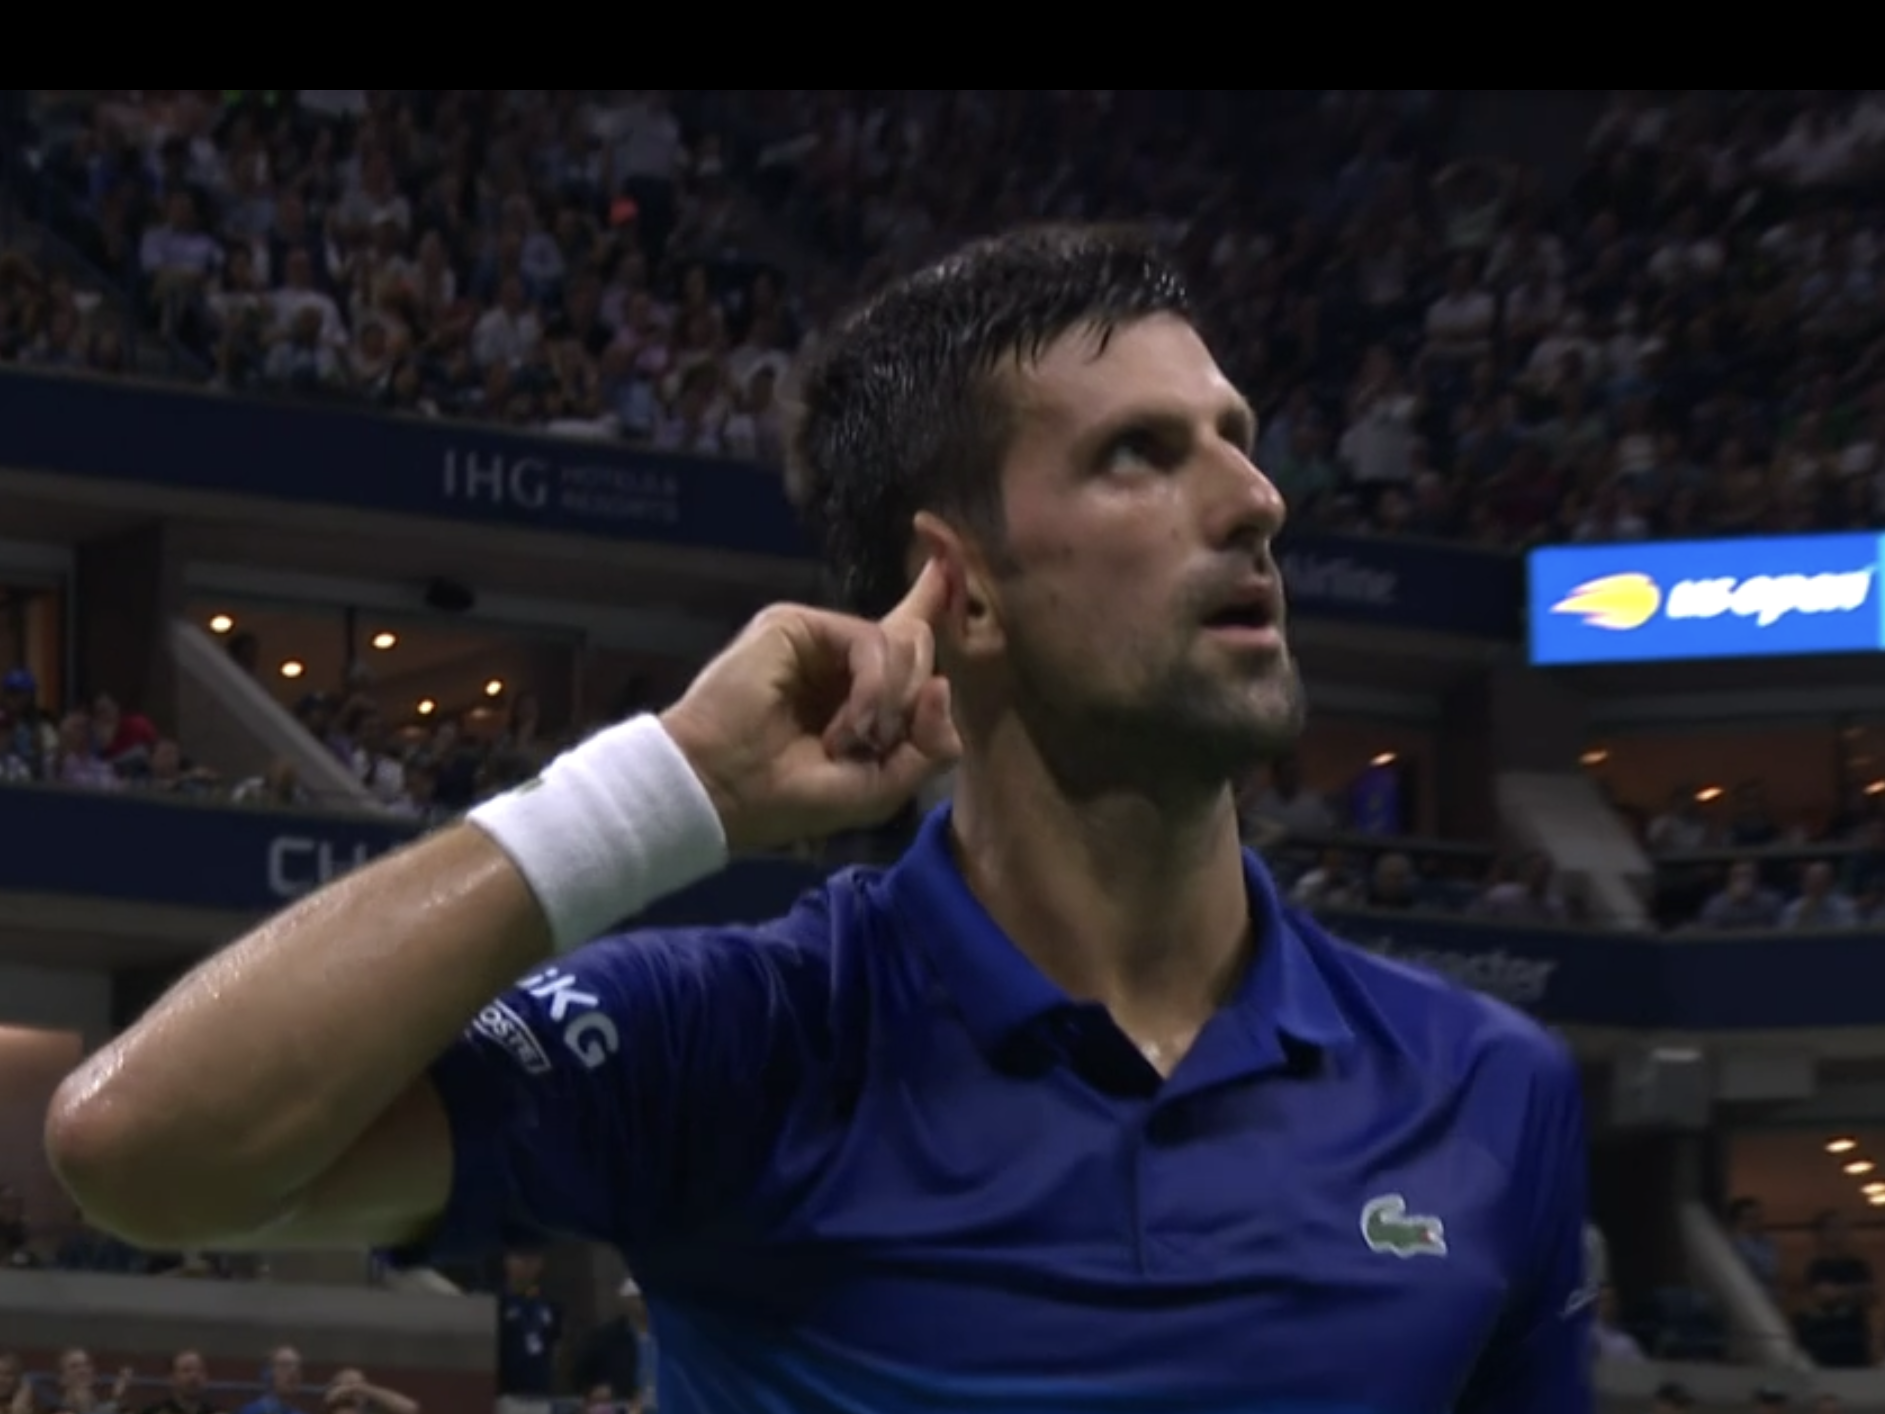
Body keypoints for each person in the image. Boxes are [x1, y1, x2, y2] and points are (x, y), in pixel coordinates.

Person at [46, 225, 1590, 1412]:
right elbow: (142, 1148)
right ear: (958, 586)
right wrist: (666, 792)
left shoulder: (1489, 1090)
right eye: (1142, 453)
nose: (1256, 498)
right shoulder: (749, 1043)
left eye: (1237, 435)